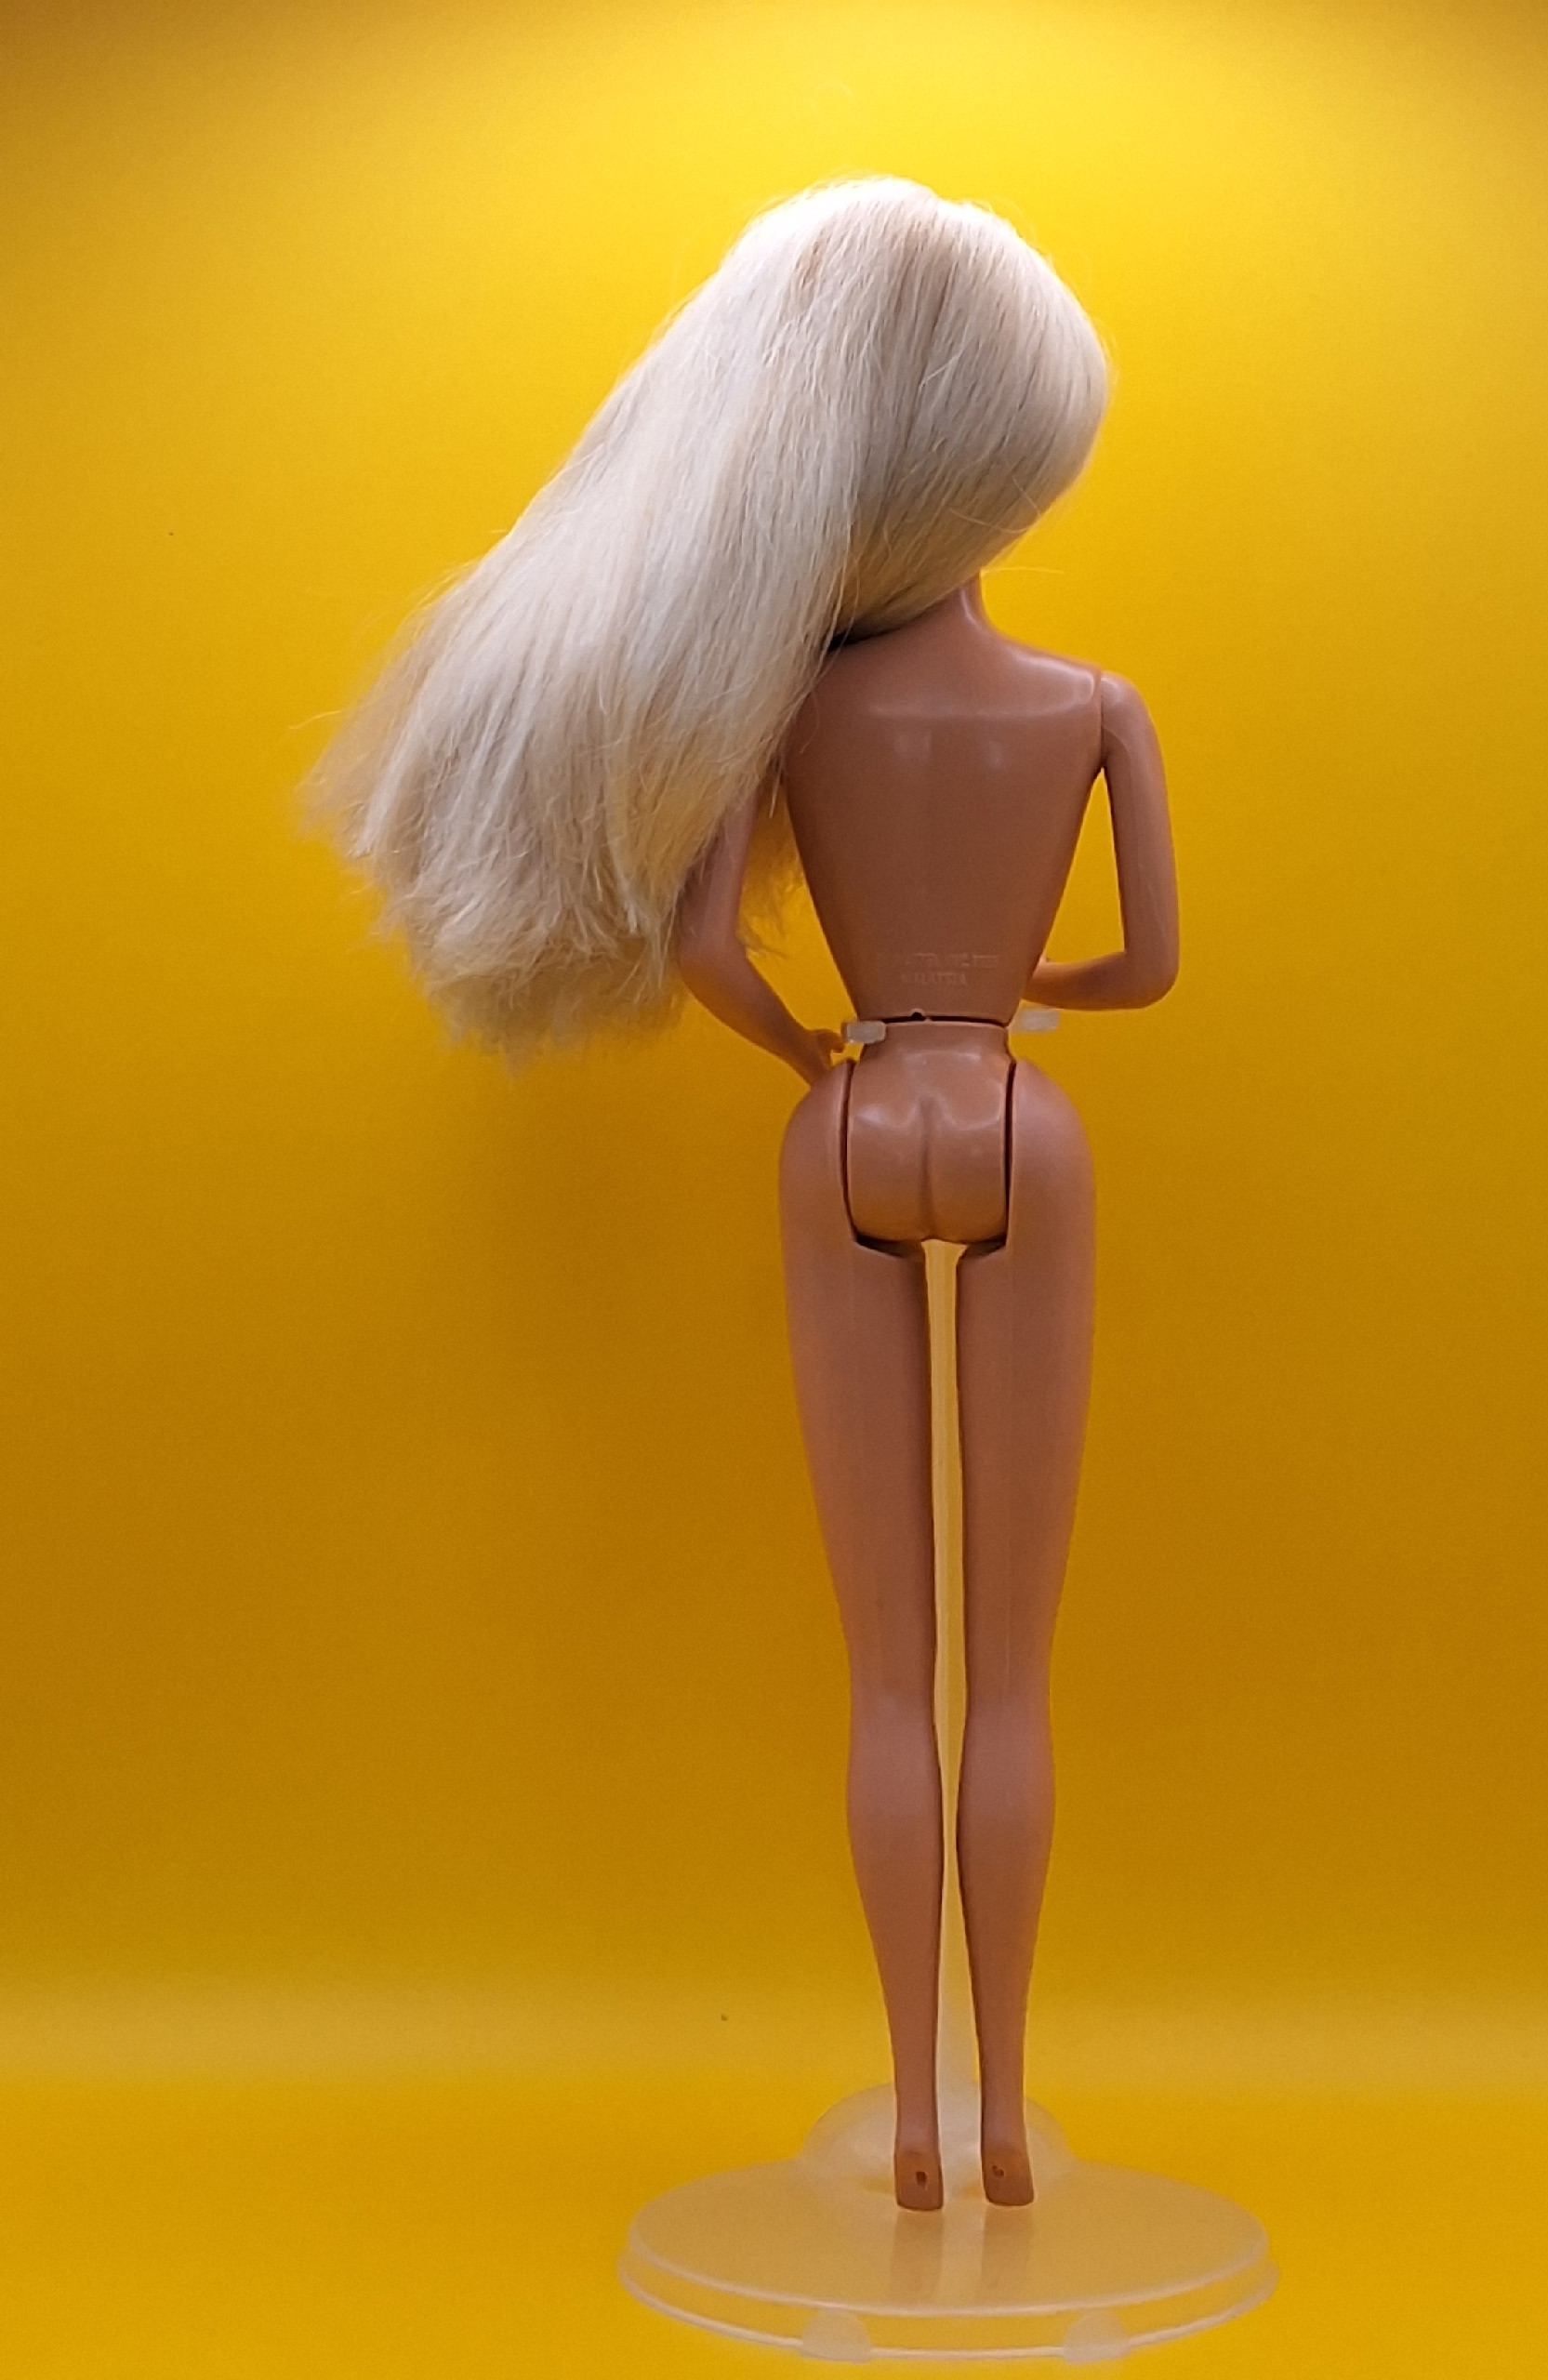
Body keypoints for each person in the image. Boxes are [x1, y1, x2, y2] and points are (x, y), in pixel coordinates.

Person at [310, 175, 1177, 2208]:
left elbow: (710, 954)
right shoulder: (1092, 708)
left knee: (887, 1665)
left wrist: (828, 1053)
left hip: (850, 1121)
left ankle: (910, 2123)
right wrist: (1010, 996)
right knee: (1013, 1664)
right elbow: (1147, 968)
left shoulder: (777, 707)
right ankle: (1010, 2118)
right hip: (1020, 1117)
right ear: (993, 465)